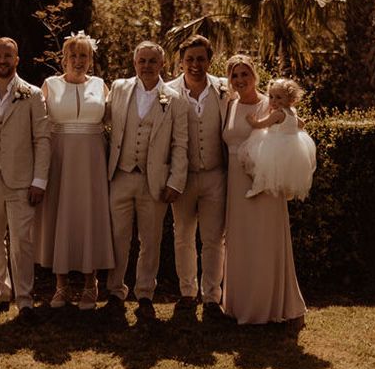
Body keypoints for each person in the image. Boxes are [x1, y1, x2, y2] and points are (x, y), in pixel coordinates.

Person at [222, 55, 306, 332]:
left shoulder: (269, 103)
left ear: (254, 76)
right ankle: (239, 305)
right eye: (235, 75)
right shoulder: (230, 103)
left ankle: (274, 307)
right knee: (240, 242)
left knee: (265, 242)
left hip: (264, 181)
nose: (240, 80)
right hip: (236, 182)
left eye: (245, 74)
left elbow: (292, 129)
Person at [105, 41, 189, 320]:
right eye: (142, 61)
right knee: (118, 238)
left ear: (162, 64)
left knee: (150, 241)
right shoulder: (118, 88)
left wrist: (175, 181)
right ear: (134, 63)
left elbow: (180, 144)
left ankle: (144, 295)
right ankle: (115, 293)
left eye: (152, 61)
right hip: (120, 175)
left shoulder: (175, 98)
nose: (147, 66)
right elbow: (99, 122)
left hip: (155, 181)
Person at [0, 37, 50, 321]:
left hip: (22, 181)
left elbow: (42, 139)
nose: (3, 61)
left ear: (17, 59)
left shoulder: (32, 94)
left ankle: (25, 299)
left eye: (8, 56)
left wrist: (39, 181)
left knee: (21, 241)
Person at [35, 31, 113, 310]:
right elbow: (39, 125)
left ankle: (91, 284)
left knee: (89, 214)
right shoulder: (49, 85)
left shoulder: (102, 85)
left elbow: (116, 121)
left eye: (84, 56)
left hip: (92, 160)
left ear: (91, 59)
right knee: (61, 215)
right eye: (73, 55)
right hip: (59, 159)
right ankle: (61, 286)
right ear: (63, 58)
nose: (78, 61)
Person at [165, 35, 230, 318]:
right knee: (183, 237)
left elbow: (256, 100)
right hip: (182, 178)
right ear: (180, 62)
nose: (195, 64)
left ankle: (213, 298)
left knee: (215, 239)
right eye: (189, 59)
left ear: (209, 60)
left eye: (201, 59)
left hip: (216, 175)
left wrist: (286, 113)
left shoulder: (225, 89)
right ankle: (187, 294)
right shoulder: (166, 91)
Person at [242, 78, 316, 200]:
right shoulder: (292, 112)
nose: (274, 101)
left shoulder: (278, 114)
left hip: (275, 145)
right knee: (283, 172)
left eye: (279, 97)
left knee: (263, 167)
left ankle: (257, 186)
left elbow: (261, 125)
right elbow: (301, 124)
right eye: (271, 97)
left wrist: (251, 120)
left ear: (290, 99)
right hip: (292, 147)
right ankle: (287, 192)